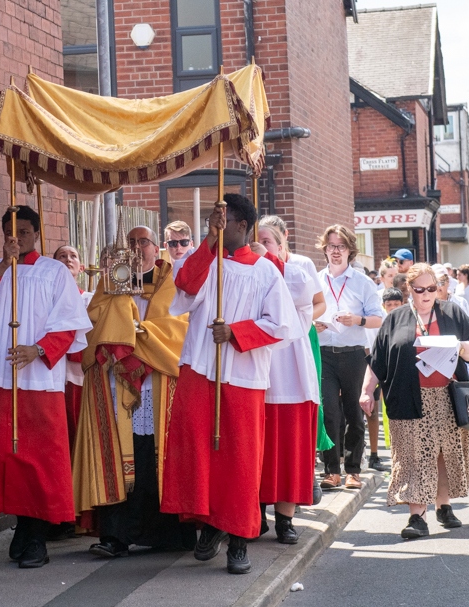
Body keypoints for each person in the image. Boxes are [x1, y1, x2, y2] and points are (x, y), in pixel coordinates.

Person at [161, 194, 301, 574]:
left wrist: (237, 332)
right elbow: (185, 285)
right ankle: (209, 524)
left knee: (240, 459)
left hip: (242, 376)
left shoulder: (266, 272)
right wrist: (209, 239)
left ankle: (238, 539)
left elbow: (282, 325)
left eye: (224, 221)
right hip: (199, 368)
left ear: (242, 225)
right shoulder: (207, 262)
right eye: (213, 220)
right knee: (199, 452)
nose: (218, 226)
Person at [0, 206, 92, 568]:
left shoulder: (54, 272)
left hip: (38, 378)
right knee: (4, 454)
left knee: (40, 457)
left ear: (37, 234)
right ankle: (23, 527)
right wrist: (4, 265)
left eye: (25, 232)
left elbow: (69, 323)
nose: (17, 238)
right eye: (10, 232)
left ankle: (36, 535)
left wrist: (39, 349)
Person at [72, 226, 196, 558]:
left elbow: (180, 324)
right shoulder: (110, 282)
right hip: (117, 380)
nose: (138, 248)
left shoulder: (172, 281)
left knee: (154, 455)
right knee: (117, 455)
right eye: (131, 242)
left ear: (158, 248)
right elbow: (94, 322)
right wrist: (118, 320)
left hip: (158, 380)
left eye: (144, 242)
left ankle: (168, 534)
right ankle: (116, 536)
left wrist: (138, 332)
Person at [362, 263, 469, 539]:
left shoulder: (452, 312)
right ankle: (417, 516)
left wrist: (460, 347)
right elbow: (378, 360)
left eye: (431, 288)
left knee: (443, 453)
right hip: (408, 395)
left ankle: (443, 505)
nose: (427, 294)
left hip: (447, 395)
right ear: (409, 290)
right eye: (420, 290)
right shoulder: (396, 318)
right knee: (414, 456)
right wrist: (366, 390)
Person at [255, 223, 322, 544]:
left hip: (291, 374)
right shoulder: (247, 274)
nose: (259, 246)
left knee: (289, 450)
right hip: (256, 371)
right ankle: (255, 515)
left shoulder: (294, 273)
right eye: (255, 241)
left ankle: (285, 519)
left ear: (282, 249)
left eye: (267, 241)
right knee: (259, 451)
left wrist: (268, 260)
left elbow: (302, 293)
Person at [315, 225, 385, 491]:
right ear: (325, 249)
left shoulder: (362, 282)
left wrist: (357, 320)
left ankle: (353, 470)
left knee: (354, 413)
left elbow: (378, 318)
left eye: (341, 246)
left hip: (354, 354)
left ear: (350, 250)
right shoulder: (316, 280)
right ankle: (331, 470)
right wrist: (313, 324)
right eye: (331, 246)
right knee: (329, 412)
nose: (336, 251)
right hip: (324, 353)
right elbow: (304, 312)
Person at [48, 244, 93, 542]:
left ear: (81, 267)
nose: (67, 260)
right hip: (51, 379)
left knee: (77, 444)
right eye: (61, 257)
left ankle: (78, 512)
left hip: (78, 380)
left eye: (72, 256)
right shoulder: (46, 297)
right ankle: (55, 513)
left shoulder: (88, 299)